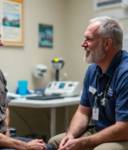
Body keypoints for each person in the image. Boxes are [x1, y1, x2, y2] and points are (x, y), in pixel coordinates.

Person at [48, 16, 128, 150]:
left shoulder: (125, 74)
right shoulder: (93, 70)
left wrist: (84, 142)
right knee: (55, 143)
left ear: (107, 44)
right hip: (100, 131)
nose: (83, 44)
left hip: (123, 135)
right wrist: (71, 135)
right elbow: (83, 112)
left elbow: (124, 128)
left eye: (89, 39)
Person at [0, 15, 53, 150]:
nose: (1, 43)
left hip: (3, 137)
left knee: (47, 147)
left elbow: (4, 108)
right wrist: (24, 146)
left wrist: (6, 134)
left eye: (0, 38)